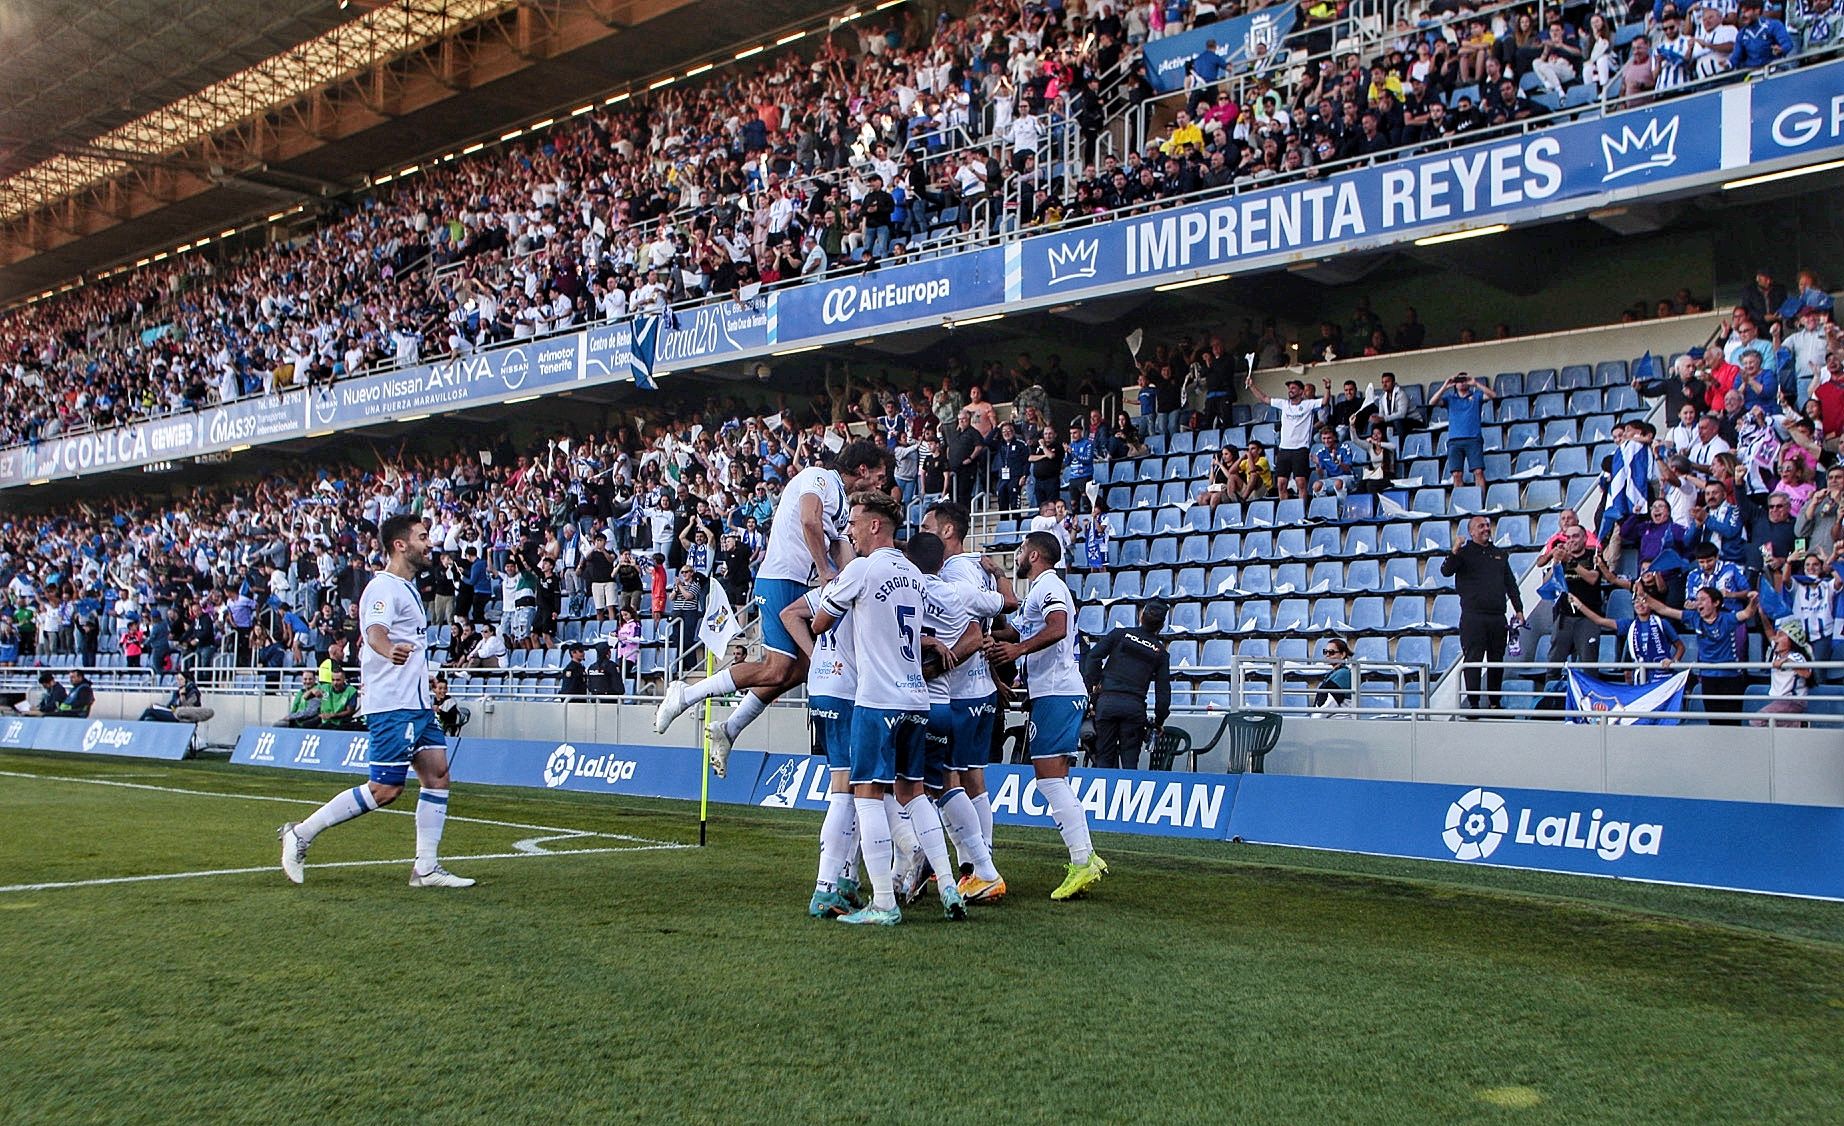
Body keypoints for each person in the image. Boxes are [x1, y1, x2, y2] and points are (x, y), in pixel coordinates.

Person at [655, 441, 892, 776]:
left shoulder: (842, 502)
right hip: (781, 578)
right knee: (778, 668)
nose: (882, 482)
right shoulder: (819, 478)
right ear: (863, 471)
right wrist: (826, 571)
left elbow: (840, 547)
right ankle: (688, 694)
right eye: (880, 475)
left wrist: (857, 577)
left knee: (805, 667)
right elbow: (810, 521)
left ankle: (730, 728)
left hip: (798, 582)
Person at [782, 490, 953, 926]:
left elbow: (817, 622)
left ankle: (865, 896)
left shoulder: (860, 569)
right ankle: (949, 886)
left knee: (861, 794)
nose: (851, 530)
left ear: (875, 524)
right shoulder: (914, 573)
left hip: (869, 696)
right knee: (912, 794)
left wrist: (834, 592)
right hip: (917, 695)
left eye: (856, 522)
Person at [278, 514, 474, 888]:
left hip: (416, 705)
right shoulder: (383, 588)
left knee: (437, 776)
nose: (429, 542)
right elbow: (374, 634)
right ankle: (300, 833)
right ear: (400, 545)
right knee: (386, 789)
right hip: (392, 705)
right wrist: (390, 651)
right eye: (422, 537)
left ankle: (426, 869)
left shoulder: (409, 588)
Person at [984, 531, 1108, 901]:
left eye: (1021, 550)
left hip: (1057, 692)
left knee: (1050, 780)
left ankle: (1082, 859)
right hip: (1054, 693)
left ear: (1035, 555)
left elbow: (1058, 627)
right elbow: (1019, 627)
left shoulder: (1049, 586)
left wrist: (1017, 649)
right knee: (1054, 779)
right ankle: (1086, 855)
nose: (1017, 556)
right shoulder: (1037, 591)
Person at [921, 500, 1020, 901]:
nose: (924, 529)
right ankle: (977, 864)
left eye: (929, 524)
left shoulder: (952, 573)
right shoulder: (973, 571)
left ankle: (973, 866)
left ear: (947, 532)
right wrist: (994, 676)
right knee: (972, 778)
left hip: (957, 691)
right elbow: (989, 621)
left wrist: (937, 662)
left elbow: (975, 634)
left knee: (948, 782)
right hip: (978, 689)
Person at [1441, 515, 1526, 712]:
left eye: (1487, 525)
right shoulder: (1463, 553)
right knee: (1473, 660)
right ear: (1471, 531)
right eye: (1481, 526)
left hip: (1497, 616)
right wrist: (1454, 550)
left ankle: (1495, 702)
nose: (1486, 529)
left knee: (1497, 660)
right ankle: (1473, 704)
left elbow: (1511, 584)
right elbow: (1446, 571)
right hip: (1473, 617)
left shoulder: (1499, 554)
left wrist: (1519, 609)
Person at [1081, 598, 1172, 770]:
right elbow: (1163, 693)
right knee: (1130, 764)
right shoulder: (1160, 653)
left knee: (1104, 760)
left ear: (1141, 616)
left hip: (1107, 703)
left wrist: (1093, 687)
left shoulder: (1119, 635)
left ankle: (1104, 795)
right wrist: (1159, 721)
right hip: (1134, 708)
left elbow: (1093, 657)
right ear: (1162, 625)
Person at [1651, 587, 1760, 725]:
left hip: (1730, 677)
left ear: (1716, 603)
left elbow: (1747, 613)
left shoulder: (1727, 618)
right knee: (1714, 722)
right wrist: (1644, 597)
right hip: (1708, 677)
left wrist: (1753, 600)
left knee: (1732, 723)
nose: (1698, 603)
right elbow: (1664, 610)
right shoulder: (1694, 618)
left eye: (1703, 599)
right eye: (1697, 600)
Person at [1251, 374, 1331, 500]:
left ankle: (1301, 512)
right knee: (1281, 484)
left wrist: (1327, 388)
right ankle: (1285, 513)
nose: (1290, 390)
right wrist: (1251, 386)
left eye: (1293, 388)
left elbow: (1325, 401)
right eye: (1289, 388)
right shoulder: (1283, 404)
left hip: (1300, 449)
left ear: (1301, 391)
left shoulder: (1308, 405)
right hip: (1284, 450)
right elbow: (1264, 399)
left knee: (1301, 483)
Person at [1429, 372, 1496, 489]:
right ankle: (1459, 501)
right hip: (1454, 441)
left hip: (1473, 439)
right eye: (1459, 381)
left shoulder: (1476, 396)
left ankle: (1481, 501)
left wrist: (1475, 384)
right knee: (1456, 474)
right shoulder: (1450, 399)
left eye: (1464, 380)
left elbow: (1493, 395)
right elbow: (1432, 402)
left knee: (1478, 471)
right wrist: (1445, 386)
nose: (1462, 383)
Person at [1753, 617, 1814, 727]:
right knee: (1776, 726)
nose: (1775, 638)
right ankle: (1797, 723)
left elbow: (1807, 673)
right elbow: (1768, 630)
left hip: (1793, 701)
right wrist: (1762, 614)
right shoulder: (1776, 654)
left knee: (1758, 720)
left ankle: (1800, 723)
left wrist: (1787, 662)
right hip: (1778, 701)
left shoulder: (1795, 656)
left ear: (1792, 640)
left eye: (1780, 635)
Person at [140, 669, 214, 724]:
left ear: (187, 681)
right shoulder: (177, 692)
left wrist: (183, 695)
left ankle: (135, 726)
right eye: (177, 679)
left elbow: (188, 709)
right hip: (173, 712)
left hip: (181, 717)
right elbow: (170, 706)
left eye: (181, 679)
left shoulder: (193, 692)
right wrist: (157, 706)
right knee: (150, 716)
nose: (178, 682)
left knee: (150, 711)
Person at [1313, 638, 1355, 713]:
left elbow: (1331, 704)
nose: (1327, 655)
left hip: (1337, 719)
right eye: (1325, 652)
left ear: (1342, 655)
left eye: (1331, 652)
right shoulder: (1333, 673)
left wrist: (1314, 718)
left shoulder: (1343, 674)